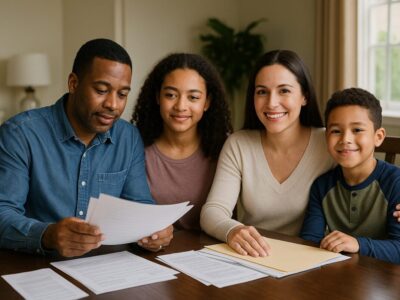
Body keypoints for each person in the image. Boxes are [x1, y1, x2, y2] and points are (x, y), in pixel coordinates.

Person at [0, 38, 172, 257]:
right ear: (73, 83)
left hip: (107, 269)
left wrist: (154, 232)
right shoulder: (20, 134)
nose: (113, 104)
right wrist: (48, 235)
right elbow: (3, 212)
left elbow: (139, 206)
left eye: (122, 94)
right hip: (37, 266)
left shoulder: (128, 137)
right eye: (101, 90)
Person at [200, 49, 335, 257]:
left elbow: (371, 175)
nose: (271, 103)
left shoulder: (329, 142)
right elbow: (212, 211)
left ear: (305, 96)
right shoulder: (239, 144)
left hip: (310, 260)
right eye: (262, 91)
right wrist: (233, 230)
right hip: (254, 259)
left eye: (284, 91)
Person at [132, 53, 232, 230]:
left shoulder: (225, 150)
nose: (180, 106)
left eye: (193, 97)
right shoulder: (135, 147)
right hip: (146, 253)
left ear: (207, 102)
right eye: (171, 95)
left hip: (207, 252)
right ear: (157, 97)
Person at [300, 88, 400, 264]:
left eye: (357, 130)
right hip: (339, 279)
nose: (345, 139)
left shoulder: (395, 183)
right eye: (336, 131)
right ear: (326, 136)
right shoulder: (321, 186)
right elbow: (309, 242)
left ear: (378, 136)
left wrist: (358, 244)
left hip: (387, 283)